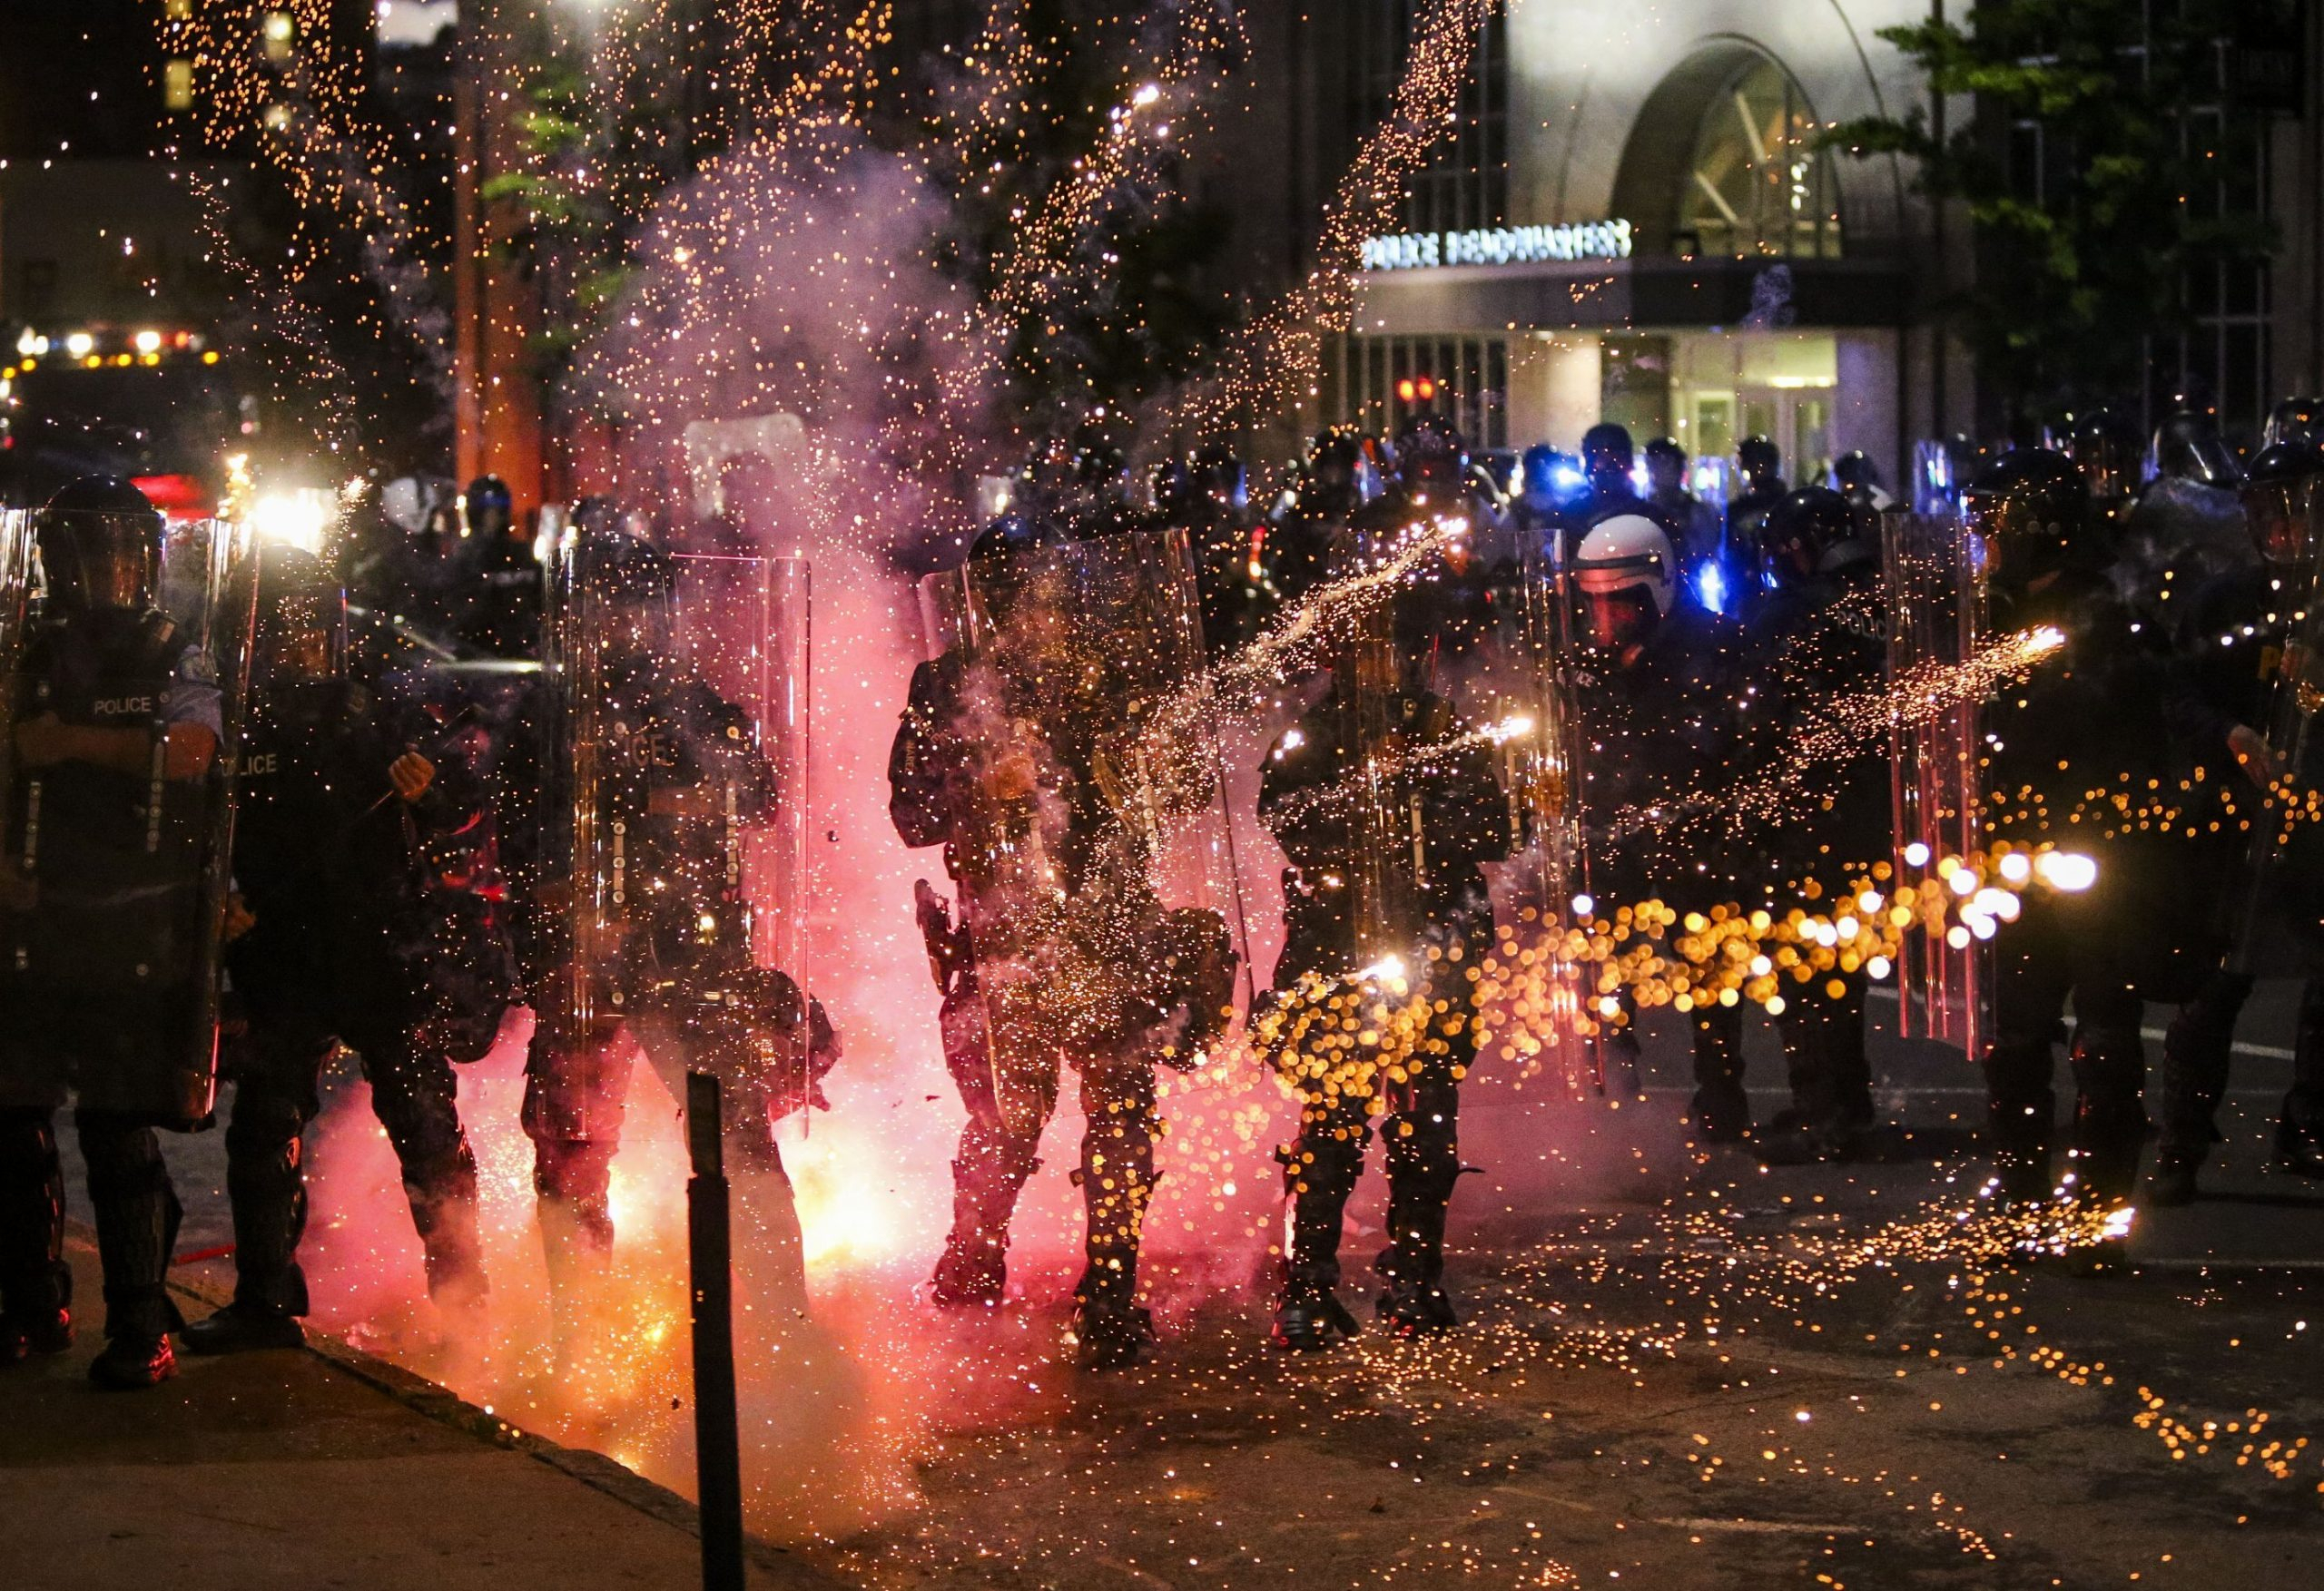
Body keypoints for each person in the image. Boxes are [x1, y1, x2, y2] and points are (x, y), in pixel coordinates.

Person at [891, 522, 1235, 1369]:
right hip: (1005, 933)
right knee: (1006, 1119)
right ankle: (973, 1267)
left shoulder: (1110, 682)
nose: (1030, 614)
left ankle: (1112, 1285)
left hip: (1110, 925)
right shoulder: (948, 686)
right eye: (1009, 597)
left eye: (1040, 593)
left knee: (1120, 1110)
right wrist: (977, 778)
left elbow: (1185, 790)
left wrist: (1137, 770)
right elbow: (909, 815)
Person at [181, 548, 512, 1352]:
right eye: (284, 627)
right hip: (284, 955)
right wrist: (215, 897)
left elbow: (467, 804)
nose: (298, 645)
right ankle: (264, 1298)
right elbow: (193, 823)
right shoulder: (237, 717)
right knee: (263, 1128)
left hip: (382, 951)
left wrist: (429, 789)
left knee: (427, 1129)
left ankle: (467, 1306)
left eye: (309, 627)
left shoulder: (378, 712)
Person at [511, 532, 835, 1329]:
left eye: (635, 606)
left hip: (690, 962)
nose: (620, 623)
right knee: (571, 1153)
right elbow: (517, 831)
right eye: (607, 605)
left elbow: (755, 798)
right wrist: (556, 915)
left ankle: (782, 1339)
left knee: (739, 1149)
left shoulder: (697, 706)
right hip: (591, 962)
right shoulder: (552, 714)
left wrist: (672, 802)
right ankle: (580, 1339)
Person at [0, 478, 236, 1387]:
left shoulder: (179, 654)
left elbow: (195, 755)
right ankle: (30, 1297)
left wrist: (71, 745)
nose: (110, 574)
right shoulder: (29, 650)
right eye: (92, 558)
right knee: (14, 1117)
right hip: (35, 910)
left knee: (117, 1123)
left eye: (124, 556)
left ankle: (141, 1321)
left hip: (138, 912)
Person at [1969, 449, 2200, 1253]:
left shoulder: (2106, 620)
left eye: (1996, 525)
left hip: (2098, 860)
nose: (1985, 541)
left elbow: (2126, 730)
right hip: (2014, 860)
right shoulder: (1982, 619)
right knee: (2017, 1037)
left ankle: (2097, 1214)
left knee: (2103, 1039)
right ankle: (2021, 1199)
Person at [1258, 633, 1507, 1347]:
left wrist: (1417, 795)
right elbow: (1291, 825)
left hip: (1427, 947)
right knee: (1334, 1122)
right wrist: (1374, 801)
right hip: (1341, 951)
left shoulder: (1444, 729)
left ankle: (1414, 1279)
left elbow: (1492, 825)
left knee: (1423, 1118)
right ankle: (1307, 1289)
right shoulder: (1312, 736)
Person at [1564, 512, 1773, 1139]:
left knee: (1708, 971)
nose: (1604, 620)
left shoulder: (1715, 643)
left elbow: (1742, 736)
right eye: (1594, 604)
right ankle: (1613, 1088)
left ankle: (1720, 1092)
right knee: (1602, 965)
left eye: (1618, 605)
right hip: (1612, 834)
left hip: (1695, 830)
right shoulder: (1585, 661)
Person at [2154, 434, 2324, 1200]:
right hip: (2236, 817)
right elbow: (2179, 695)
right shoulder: (2225, 599)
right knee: (2215, 983)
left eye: (2300, 507)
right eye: (2270, 509)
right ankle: (2181, 1143)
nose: (2286, 525)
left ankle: (2310, 1127)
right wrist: (2231, 735)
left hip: (2317, 820)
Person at [1746, 487, 1887, 1164]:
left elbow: (1755, 698)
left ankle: (1822, 1107)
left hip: (1807, 810)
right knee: (1845, 963)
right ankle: (1848, 1096)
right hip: (1869, 810)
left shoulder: (1789, 612)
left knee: (1803, 965)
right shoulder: (1881, 601)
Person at [458, 475, 538, 658]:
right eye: (488, 510)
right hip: (480, 657)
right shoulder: (465, 558)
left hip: (521, 653)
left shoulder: (520, 553)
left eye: (498, 509)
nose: (494, 516)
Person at [1644, 436, 1724, 581]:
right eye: (1655, 463)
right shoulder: (1643, 509)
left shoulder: (1699, 510)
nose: (1660, 470)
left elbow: (1707, 548)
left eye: (1666, 463)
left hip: (1690, 580)